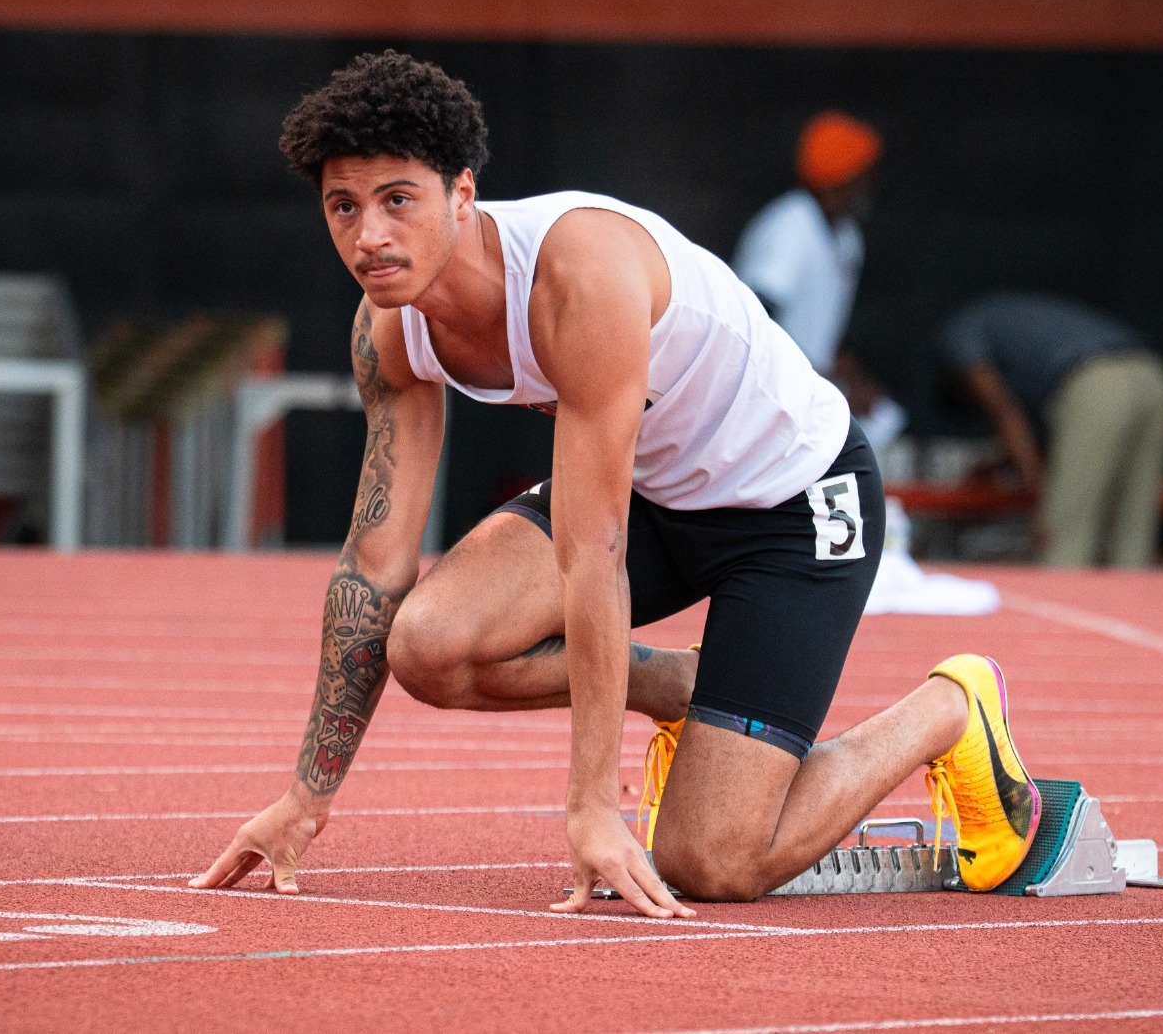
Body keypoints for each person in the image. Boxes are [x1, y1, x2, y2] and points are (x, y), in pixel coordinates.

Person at [188, 52, 1042, 916]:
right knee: (427, 644)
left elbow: (593, 555)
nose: (370, 235)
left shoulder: (576, 275)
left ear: (462, 192)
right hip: (656, 489)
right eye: (344, 206)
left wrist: (592, 807)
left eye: (397, 200)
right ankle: (682, 687)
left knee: (713, 861)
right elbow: (374, 565)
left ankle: (948, 709)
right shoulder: (389, 330)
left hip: (792, 503)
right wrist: (307, 799)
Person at [938, 293, 1163, 569]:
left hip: (1097, 381)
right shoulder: (1011, 322)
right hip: (1155, 379)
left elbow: (1006, 413)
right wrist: (1001, 463)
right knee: (1132, 534)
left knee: (1064, 539)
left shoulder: (961, 331)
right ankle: (1131, 610)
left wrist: (1040, 495)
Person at [734, 111, 905, 454]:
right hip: (763, 385)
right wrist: (824, 381)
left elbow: (820, 334)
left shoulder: (846, 238)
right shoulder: (790, 224)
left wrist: (850, 378)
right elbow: (755, 320)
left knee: (886, 418)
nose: (870, 184)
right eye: (863, 175)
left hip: (810, 380)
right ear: (841, 178)